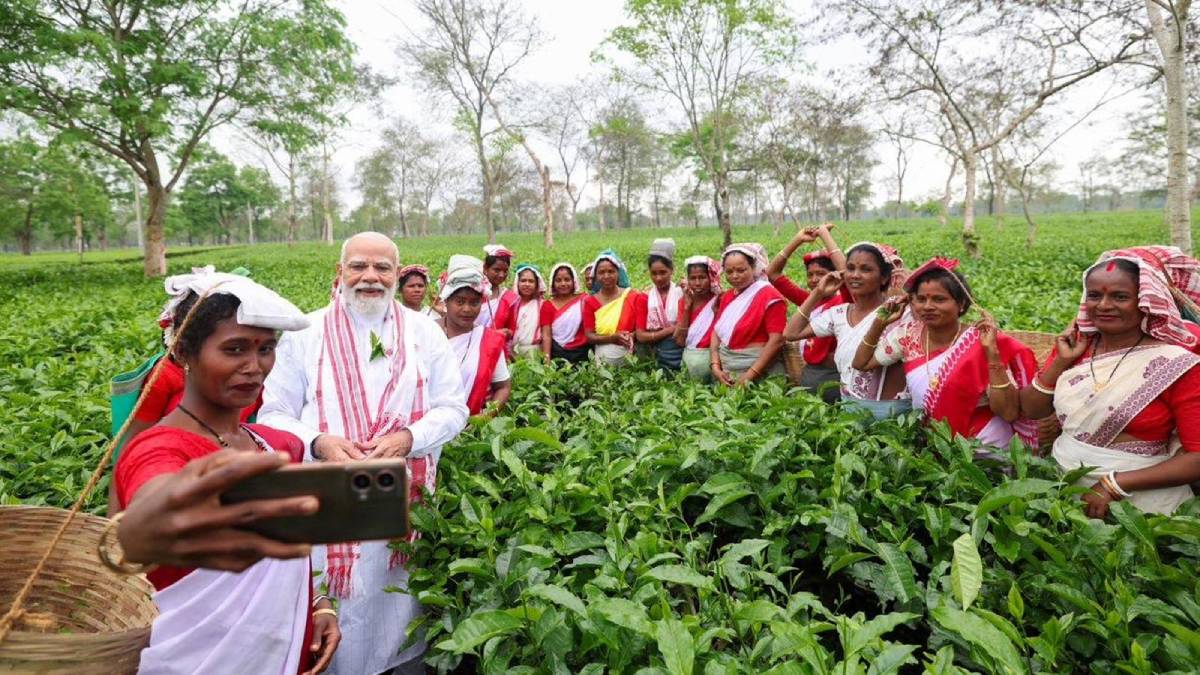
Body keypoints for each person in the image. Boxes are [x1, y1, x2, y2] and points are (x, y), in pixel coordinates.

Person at [258, 232, 469, 675]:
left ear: (397, 274)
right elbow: (272, 414)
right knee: (336, 610)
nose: (369, 277)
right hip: (329, 497)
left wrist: (409, 437)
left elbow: (454, 408)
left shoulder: (424, 332)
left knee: (399, 606)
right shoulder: (306, 332)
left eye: (382, 268)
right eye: (358, 266)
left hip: (403, 500)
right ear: (340, 272)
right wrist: (319, 442)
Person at [111, 274, 340, 674]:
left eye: (266, 348)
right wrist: (145, 527)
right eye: (234, 349)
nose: (254, 367)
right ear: (184, 351)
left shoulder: (276, 445)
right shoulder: (159, 448)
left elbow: (287, 554)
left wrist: (318, 604)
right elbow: (152, 498)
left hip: (280, 650)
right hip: (195, 659)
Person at [1019, 246, 1200, 517]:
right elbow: (1032, 410)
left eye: (1120, 297)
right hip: (1061, 490)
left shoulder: (1177, 363)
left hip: (1141, 507)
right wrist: (1059, 363)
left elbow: (1196, 458)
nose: (1103, 305)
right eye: (1094, 295)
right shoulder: (1076, 347)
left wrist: (1114, 484)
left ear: (1145, 301)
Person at [852, 258, 1038, 453]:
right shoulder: (907, 335)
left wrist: (992, 354)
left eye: (939, 299)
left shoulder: (980, 341)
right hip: (936, 444)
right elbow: (861, 363)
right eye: (921, 299)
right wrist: (880, 323)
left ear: (961, 304)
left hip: (985, 445)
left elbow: (1008, 413)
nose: (928, 306)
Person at [783, 241, 909, 419]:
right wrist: (817, 293)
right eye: (850, 268)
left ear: (883, 277)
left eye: (866, 269)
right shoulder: (839, 314)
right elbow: (791, 333)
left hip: (891, 413)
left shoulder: (897, 311)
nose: (855, 275)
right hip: (849, 409)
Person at [767, 225, 848, 403]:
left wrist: (825, 236)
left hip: (833, 375)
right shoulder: (809, 301)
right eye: (810, 275)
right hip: (810, 374)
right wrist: (797, 240)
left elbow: (847, 274)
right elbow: (772, 274)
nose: (815, 279)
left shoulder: (844, 301)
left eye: (821, 274)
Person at [439, 255, 513, 416]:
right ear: (446, 300)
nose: (467, 309)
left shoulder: (488, 340)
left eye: (474, 303)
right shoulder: (426, 332)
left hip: (472, 426)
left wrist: (485, 416)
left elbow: (503, 387)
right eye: (459, 302)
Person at [710, 243, 787, 385]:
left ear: (753, 268)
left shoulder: (770, 296)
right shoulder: (727, 296)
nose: (735, 276)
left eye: (741, 270)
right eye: (729, 272)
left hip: (761, 371)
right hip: (728, 370)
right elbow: (717, 331)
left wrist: (750, 375)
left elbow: (776, 340)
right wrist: (715, 366)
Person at [584, 249, 642, 367]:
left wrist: (632, 335)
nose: (606, 276)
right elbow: (589, 336)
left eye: (611, 271)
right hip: (603, 364)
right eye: (601, 272)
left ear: (618, 273)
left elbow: (642, 328)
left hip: (633, 359)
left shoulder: (632, 296)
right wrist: (612, 338)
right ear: (596, 276)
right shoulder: (590, 302)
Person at [635, 238, 684, 370]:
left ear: (672, 270)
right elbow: (641, 336)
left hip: (681, 349)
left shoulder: (682, 293)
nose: (658, 278)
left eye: (663, 272)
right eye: (654, 273)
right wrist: (670, 330)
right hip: (655, 352)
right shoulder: (644, 298)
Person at [673, 256, 721, 381]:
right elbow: (680, 341)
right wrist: (687, 308)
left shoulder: (720, 300)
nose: (697, 283)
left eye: (702, 277)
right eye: (693, 278)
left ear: (711, 278)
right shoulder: (684, 302)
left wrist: (716, 312)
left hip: (714, 362)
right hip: (689, 362)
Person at [547, 262, 592, 364]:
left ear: (574, 281)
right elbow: (546, 335)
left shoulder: (584, 300)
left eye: (567, 279)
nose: (563, 283)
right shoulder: (547, 305)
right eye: (558, 280)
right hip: (556, 353)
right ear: (552, 283)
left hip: (581, 353)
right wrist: (547, 360)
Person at [507, 263, 554, 360]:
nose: (527, 284)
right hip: (511, 352)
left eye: (531, 281)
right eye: (523, 281)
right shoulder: (511, 304)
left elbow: (546, 335)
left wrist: (547, 359)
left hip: (534, 352)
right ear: (517, 283)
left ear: (537, 284)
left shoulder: (543, 305)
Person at [478, 244, 518, 338]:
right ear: (485, 268)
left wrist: (506, 333)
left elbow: (512, 329)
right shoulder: (473, 293)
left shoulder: (509, 298)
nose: (501, 275)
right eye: (497, 270)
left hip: (496, 345)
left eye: (505, 271)